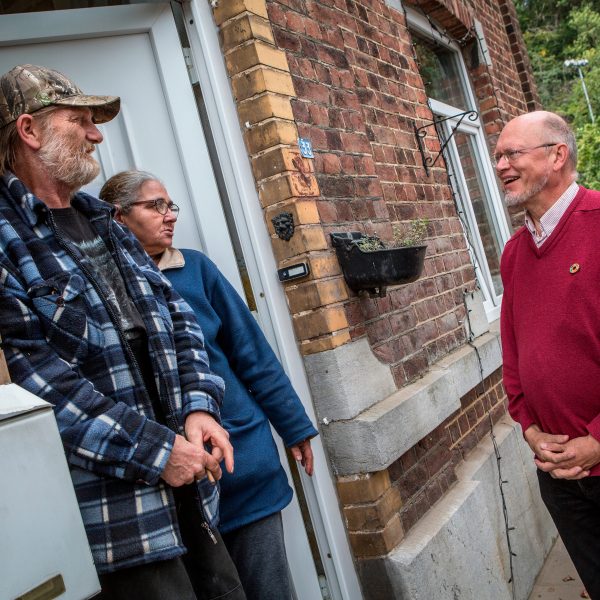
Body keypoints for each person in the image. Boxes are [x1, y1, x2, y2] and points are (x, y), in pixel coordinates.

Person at [0, 65, 246, 600]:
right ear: (29, 130)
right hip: (120, 523)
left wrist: (200, 406)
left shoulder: (105, 221)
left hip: (193, 495)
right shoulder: (7, 238)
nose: (96, 135)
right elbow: (34, 383)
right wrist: (157, 453)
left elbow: (178, 319)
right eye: (80, 121)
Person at [99, 169, 319, 600]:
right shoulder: (106, 289)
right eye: (155, 206)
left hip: (241, 466)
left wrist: (294, 425)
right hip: (173, 489)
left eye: (170, 205)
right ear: (118, 216)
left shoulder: (196, 269)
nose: (170, 215)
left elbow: (251, 352)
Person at [498, 110, 600, 598]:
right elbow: (513, 353)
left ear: (557, 155)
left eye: (512, 153)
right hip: (558, 476)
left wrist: (598, 440)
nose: (500, 165)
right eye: (498, 155)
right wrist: (530, 429)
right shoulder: (514, 252)